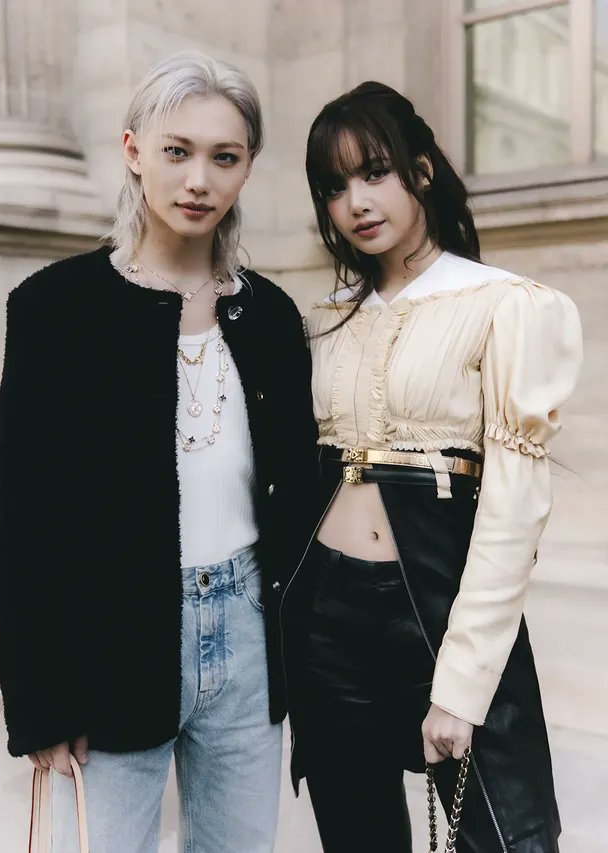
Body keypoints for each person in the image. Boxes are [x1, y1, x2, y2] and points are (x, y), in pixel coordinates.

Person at [0, 51, 318, 853]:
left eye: (224, 156)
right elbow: (29, 518)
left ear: (247, 168)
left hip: (245, 636)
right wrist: (41, 702)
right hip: (114, 637)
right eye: (177, 151)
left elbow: (297, 501)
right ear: (134, 149)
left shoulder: (272, 318)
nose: (198, 179)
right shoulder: (55, 310)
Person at [280, 81, 583, 852]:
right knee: (357, 834)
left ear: (419, 171)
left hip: (441, 608)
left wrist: (460, 683)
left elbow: (515, 509)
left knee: (502, 837)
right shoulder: (328, 319)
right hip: (329, 619)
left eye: (373, 171)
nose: (356, 201)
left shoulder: (504, 304)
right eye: (334, 185)